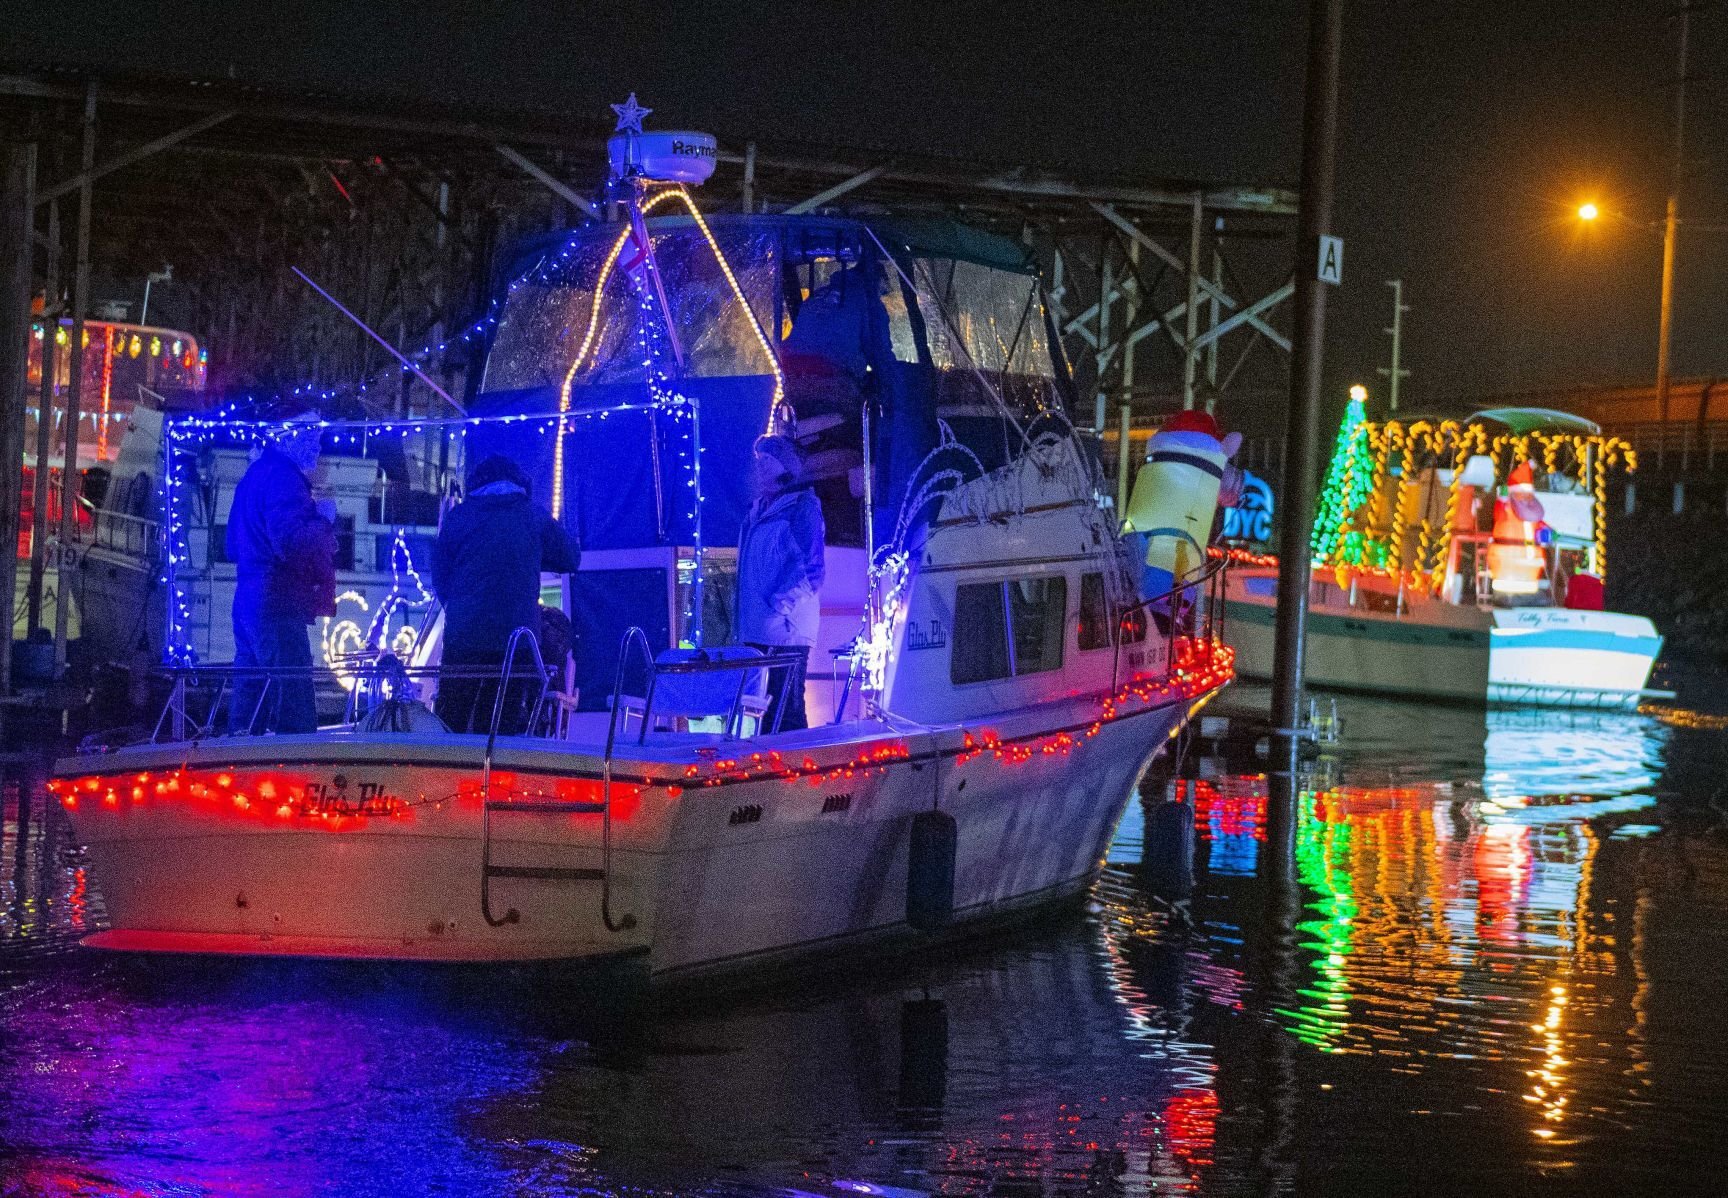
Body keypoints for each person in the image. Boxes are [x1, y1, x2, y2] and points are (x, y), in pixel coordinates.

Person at [431, 455, 579, 733]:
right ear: (519, 483)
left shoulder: (458, 517)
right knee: (501, 723)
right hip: (517, 639)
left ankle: (446, 770)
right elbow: (570, 558)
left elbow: (440, 575)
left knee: (451, 720)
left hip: (463, 639)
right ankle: (496, 771)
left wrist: (459, 608)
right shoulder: (534, 515)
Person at [226, 415, 337, 734]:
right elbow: (291, 543)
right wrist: (324, 520)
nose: (318, 445)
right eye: (312, 437)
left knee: (248, 702)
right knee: (295, 704)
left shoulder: (254, 475)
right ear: (291, 439)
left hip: (247, 598)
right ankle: (299, 774)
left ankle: (236, 768)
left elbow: (231, 543)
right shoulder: (284, 479)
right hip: (277, 603)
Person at [735, 434, 825, 732]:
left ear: (785, 467)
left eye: (767, 461)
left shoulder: (802, 507)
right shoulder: (756, 511)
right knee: (765, 714)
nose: (759, 467)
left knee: (787, 713)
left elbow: (811, 572)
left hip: (785, 634)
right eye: (758, 460)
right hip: (757, 630)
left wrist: (778, 608)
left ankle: (800, 772)